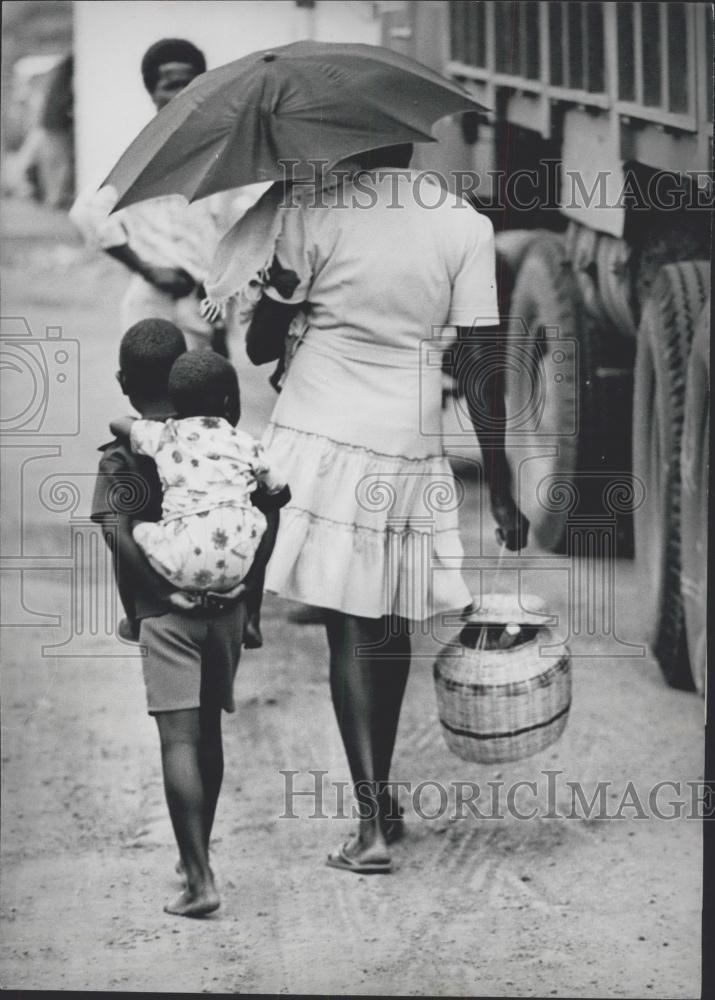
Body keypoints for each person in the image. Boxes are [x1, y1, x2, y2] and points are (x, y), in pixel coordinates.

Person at [241, 145, 530, 874]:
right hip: (406, 440)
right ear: (408, 140)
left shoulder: (308, 208)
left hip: (324, 434)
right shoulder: (462, 223)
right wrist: (499, 483)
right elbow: (478, 365)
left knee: (348, 627)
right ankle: (382, 802)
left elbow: (256, 348)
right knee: (391, 623)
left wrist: (279, 294)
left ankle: (370, 823)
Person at [90, 318, 290, 915]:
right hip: (227, 609)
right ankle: (196, 851)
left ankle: (199, 878)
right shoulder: (228, 446)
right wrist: (250, 603)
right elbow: (268, 513)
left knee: (176, 739)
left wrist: (153, 600)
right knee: (208, 733)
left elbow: (120, 538)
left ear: (125, 382)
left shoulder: (124, 458)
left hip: (164, 615)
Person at [110, 350, 287, 639]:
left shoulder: (165, 435)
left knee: (133, 526)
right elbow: (281, 492)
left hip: (178, 568)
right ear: (229, 401)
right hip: (237, 570)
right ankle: (250, 618)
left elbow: (117, 424)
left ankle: (138, 616)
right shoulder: (247, 444)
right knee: (260, 514)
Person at [70, 39, 228, 351]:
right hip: (155, 303)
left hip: (203, 301)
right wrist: (146, 268)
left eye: (192, 84)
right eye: (172, 85)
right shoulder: (138, 149)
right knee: (155, 394)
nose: (182, 93)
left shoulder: (214, 147)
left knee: (204, 390)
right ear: (152, 91)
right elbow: (87, 211)